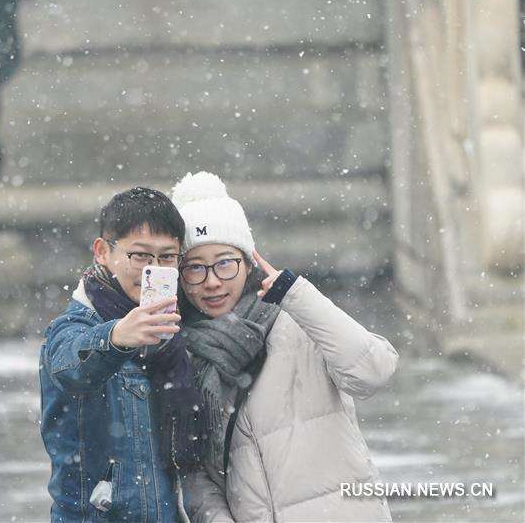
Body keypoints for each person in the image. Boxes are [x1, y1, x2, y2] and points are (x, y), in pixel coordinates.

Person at [171, 171, 398, 523]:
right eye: (195, 268)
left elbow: (372, 372)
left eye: (225, 263)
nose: (212, 281)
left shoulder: (297, 320)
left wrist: (297, 295)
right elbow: (195, 472)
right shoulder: (181, 353)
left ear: (249, 263)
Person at [39, 187, 206, 522]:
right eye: (140, 256)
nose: (153, 269)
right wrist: (115, 338)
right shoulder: (76, 324)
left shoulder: (172, 333)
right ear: (102, 252)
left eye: (167, 257)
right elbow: (68, 366)